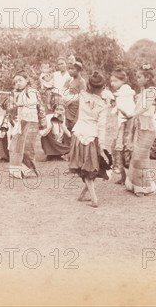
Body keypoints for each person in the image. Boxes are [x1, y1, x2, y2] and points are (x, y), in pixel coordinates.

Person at [65, 71, 110, 208]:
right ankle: (86, 195)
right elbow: (102, 127)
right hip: (91, 136)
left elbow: (66, 99)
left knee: (84, 168)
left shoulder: (82, 95)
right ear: (103, 87)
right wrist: (101, 145)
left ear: (89, 85)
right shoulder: (103, 105)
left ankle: (93, 197)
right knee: (89, 168)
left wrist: (66, 87)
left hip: (78, 134)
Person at [125, 64, 156, 197]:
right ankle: (134, 184)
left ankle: (144, 187)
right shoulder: (144, 92)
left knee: (139, 156)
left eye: (140, 77)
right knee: (138, 155)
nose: (137, 79)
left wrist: (132, 114)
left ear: (147, 77)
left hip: (148, 127)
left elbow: (145, 107)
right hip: (141, 126)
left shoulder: (152, 91)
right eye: (137, 77)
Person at [8, 72, 41, 179]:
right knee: (16, 145)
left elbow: (34, 102)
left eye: (20, 80)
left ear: (26, 80)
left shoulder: (31, 91)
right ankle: (18, 170)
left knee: (28, 146)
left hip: (31, 121)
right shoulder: (17, 93)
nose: (18, 83)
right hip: (21, 122)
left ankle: (29, 170)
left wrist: (18, 103)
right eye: (15, 82)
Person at [109, 67, 136, 181]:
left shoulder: (125, 90)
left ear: (123, 81)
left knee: (126, 146)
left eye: (115, 81)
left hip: (128, 121)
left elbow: (128, 110)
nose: (112, 83)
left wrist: (118, 109)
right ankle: (123, 176)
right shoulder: (120, 93)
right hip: (122, 121)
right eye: (111, 81)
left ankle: (128, 175)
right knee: (118, 145)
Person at [59, 58, 87, 131]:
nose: (69, 71)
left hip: (76, 112)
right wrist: (65, 86)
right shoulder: (71, 80)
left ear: (78, 70)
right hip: (68, 110)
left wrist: (77, 117)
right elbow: (65, 95)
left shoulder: (81, 81)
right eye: (69, 69)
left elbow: (83, 100)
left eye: (72, 69)